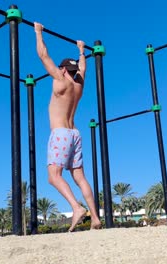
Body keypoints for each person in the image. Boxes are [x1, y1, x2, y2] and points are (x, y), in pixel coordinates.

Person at [34, 22, 101, 231]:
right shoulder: (78, 86)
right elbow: (83, 69)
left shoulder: (59, 80)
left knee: (53, 176)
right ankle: (96, 218)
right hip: (75, 134)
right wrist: (81, 50)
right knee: (80, 177)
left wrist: (38, 33)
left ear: (63, 69)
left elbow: (44, 56)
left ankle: (77, 208)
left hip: (61, 134)